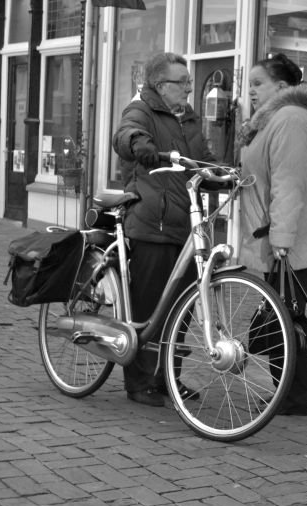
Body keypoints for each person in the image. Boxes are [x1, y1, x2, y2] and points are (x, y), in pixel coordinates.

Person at [237, 54, 307, 416]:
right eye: (249, 84)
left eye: (257, 83)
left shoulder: (291, 120)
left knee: (287, 315)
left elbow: (289, 184)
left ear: (281, 87)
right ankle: (287, 393)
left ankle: (293, 397)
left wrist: (282, 240)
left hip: (288, 238)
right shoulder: (272, 121)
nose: (250, 91)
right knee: (282, 312)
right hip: (276, 234)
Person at [112, 52, 215, 407]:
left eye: (189, 82)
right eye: (182, 82)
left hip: (186, 226)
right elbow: (125, 134)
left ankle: (168, 378)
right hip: (152, 224)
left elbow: (199, 161)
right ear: (160, 85)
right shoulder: (141, 109)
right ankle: (141, 383)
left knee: (179, 310)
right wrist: (141, 146)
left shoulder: (187, 118)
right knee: (148, 310)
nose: (189, 87)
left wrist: (220, 174)